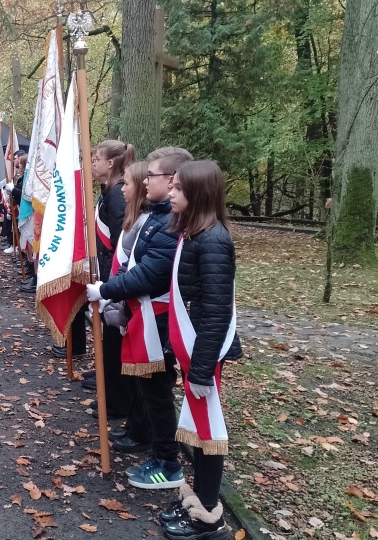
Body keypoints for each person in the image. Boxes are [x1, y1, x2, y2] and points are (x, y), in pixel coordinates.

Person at [87, 149, 194, 487]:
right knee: (148, 393)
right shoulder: (157, 217)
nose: (146, 181)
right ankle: (157, 452)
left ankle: (168, 462)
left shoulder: (170, 223)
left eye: (153, 176)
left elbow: (149, 275)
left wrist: (106, 291)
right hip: (145, 319)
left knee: (158, 396)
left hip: (159, 325)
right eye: (146, 176)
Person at [155, 159, 240, 539]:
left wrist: (202, 368)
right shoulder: (193, 234)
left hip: (205, 356)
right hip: (194, 354)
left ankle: (209, 514)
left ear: (198, 193)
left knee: (208, 434)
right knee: (199, 432)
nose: (170, 193)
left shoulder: (214, 241)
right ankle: (199, 497)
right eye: (170, 186)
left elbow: (216, 312)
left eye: (177, 188)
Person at [88, 139, 137, 422]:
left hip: (114, 277)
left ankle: (117, 404)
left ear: (111, 163)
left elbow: (121, 240)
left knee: (115, 345)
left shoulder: (118, 194)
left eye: (97, 159)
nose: (93, 164)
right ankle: (111, 397)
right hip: (106, 274)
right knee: (109, 343)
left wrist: (111, 277)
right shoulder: (107, 191)